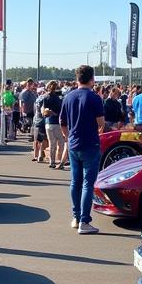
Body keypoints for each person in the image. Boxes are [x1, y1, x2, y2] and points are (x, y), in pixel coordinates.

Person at [59, 64, 105, 234]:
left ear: (77, 78)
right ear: (92, 79)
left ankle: (76, 216)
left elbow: (62, 123)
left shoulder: (68, 97)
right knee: (87, 183)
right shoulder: (94, 98)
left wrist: (68, 136)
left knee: (75, 181)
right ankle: (84, 221)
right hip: (90, 143)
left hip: (73, 143)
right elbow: (101, 123)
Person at [39, 80, 66, 168]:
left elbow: (43, 110)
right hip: (56, 123)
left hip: (48, 122)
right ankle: (61, 160)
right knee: (61, 142)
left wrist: (48, 112)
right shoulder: (58, 99)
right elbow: (60, 112)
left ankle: (52, 161)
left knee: (52, 143)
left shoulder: (45, 97)